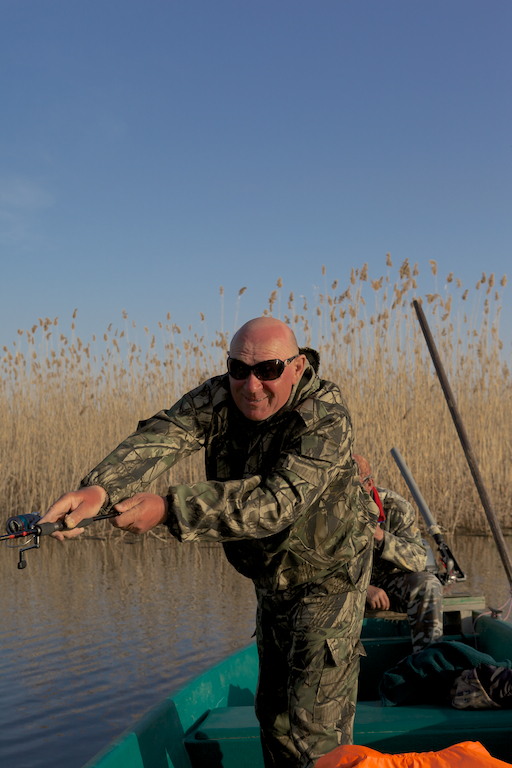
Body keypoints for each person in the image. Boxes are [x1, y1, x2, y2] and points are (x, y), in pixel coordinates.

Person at [40, 317, 378, 768]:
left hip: (329, 579)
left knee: (313, 733)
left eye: (268, 370)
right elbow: (164, 436)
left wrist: (168, 509)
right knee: (275, 717)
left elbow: (275, 503)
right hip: (272, 579)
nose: (251, 385)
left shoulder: (326, 415)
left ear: (297, 367)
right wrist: (99, 489)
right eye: (238, 368)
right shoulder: (222, 393)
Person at [353, 454, 443, 654]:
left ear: (369, 484)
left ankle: (428, 661)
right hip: (346, 586)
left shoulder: (397, 508)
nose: (347, 496)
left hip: (389, 583)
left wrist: (381, 537)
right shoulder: (329, 509)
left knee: (428, 585)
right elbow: (317, 567)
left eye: (354, 489)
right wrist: (363, 589)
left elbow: (418, 559)